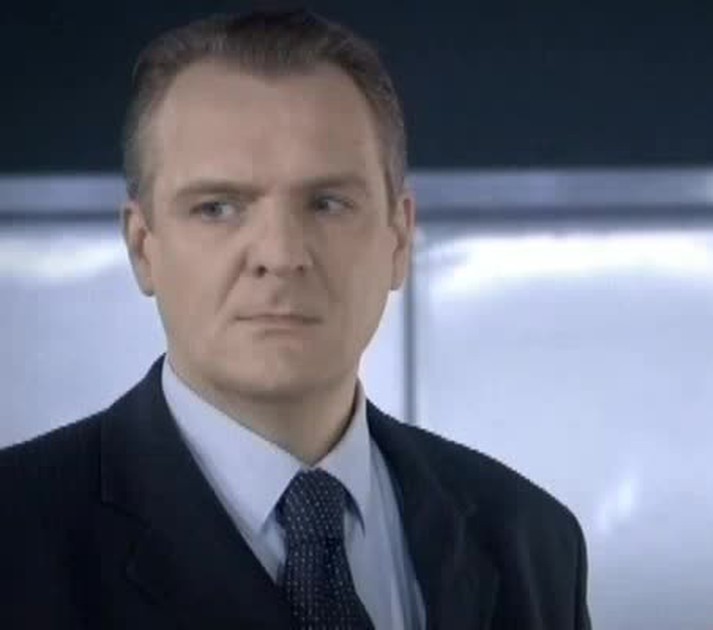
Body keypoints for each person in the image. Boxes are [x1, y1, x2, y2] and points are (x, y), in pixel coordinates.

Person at [0, 9, 590, 630]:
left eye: (328, 203)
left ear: (398, 238)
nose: (280, 256)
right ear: (143, 247)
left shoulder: (531, 541)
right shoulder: (15, 539)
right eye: (218, 207)